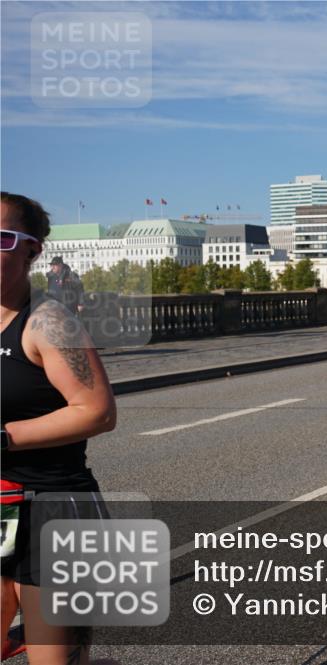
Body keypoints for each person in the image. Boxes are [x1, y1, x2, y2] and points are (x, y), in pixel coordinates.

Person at [1, 192, 117, 664]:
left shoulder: (49, 323)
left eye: (2, 238)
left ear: (32, 251)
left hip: (52, 508)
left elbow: (96, 411)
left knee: (54, 659)